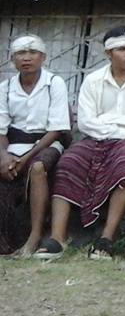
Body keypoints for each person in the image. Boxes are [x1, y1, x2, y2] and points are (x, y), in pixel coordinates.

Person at [34, 25, 125, 260]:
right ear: (108, 53)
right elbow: (86, 123)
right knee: (68, 162)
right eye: (122, 49)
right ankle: (58, 238)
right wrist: (124, 129)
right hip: (98, 138)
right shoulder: (93, 80)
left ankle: (106, 239)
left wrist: (110, 125)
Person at [0, 35, 71, 255]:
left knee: (38, 168)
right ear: (13, 60)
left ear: (43, 57)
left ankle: (35, 235)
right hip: (13, 146)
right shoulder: (6, 87)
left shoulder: (53, 83)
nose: (27, 58)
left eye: (33, 53)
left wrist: (26, 158)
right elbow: (1, 128)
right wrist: (3, 156)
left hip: (46, 143)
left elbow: (57, 128)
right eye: (21, 53)